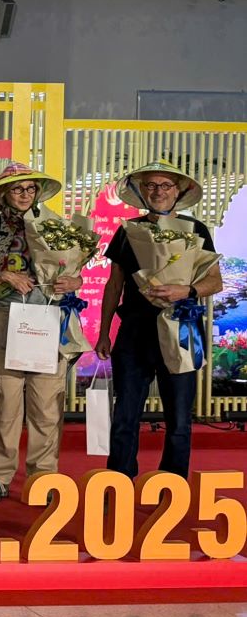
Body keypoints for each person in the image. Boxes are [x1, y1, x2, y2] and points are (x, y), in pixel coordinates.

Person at [96, 160, 222, 479]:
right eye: (151, 185)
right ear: (141, 190)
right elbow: (114, 285)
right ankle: (119, 480)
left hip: (182, 330)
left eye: (166, 185)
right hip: (134, 333)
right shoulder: (127, 231)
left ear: (179, 191)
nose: (158, 191)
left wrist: (186, 290)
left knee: (179, 418)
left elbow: (215, 282)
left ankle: (172, 484)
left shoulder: (196, 231)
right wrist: (104, 333)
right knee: (125, 414)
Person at [0, 163, 80, 502]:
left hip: (47, 321)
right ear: (4, 193)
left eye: (30, 188)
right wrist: (1, 277)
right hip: (5, 320)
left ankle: (43, 477)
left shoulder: (55, 225)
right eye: (17, 189)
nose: (24, 194)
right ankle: (0, 476)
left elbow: (75, 274)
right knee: (5, 406)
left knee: (46, 407)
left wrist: (72, 282)